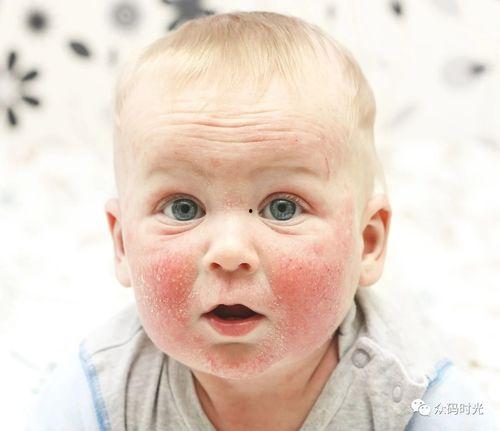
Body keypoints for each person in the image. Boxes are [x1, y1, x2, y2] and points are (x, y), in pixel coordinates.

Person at [27, 11, 497, 431]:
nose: (230, 251)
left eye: (282, 207)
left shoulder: (419, 397)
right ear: (123, 245)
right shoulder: (98, 397)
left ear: (367, 242)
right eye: (183, 208)